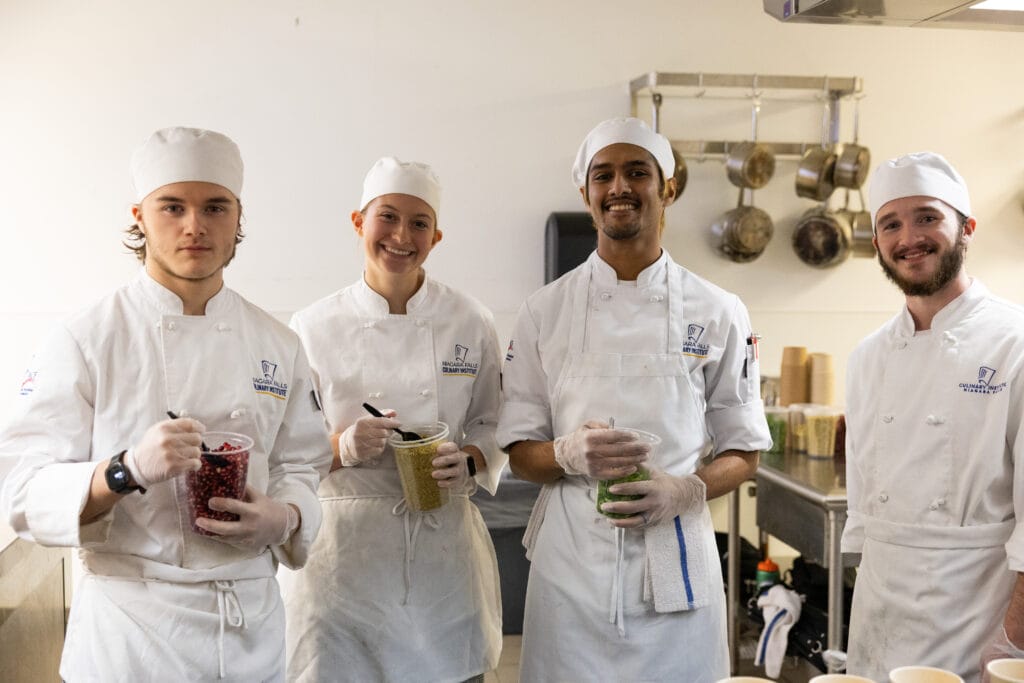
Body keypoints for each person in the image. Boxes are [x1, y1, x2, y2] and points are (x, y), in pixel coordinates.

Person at [0, 127, 332, 682]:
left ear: (238, 218)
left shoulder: (278, 343)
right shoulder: (86, 338)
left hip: (249, 626)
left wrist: (287, 516)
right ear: (139, 215)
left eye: (215, 207)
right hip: (132, 633)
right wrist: (124, 470)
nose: (194, 225)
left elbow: (303, 462)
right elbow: (22, 491)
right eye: (172, 206)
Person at [496, 117, 771, 682]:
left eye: (637, 172)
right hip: (569, 571)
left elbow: (746, 451)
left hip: (674, 564)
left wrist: (686, 488)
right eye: (604, 175)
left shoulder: (719, 310)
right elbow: (520, 452)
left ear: (667, 188)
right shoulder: (543, 312)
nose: (619, 187)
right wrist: (568, 454)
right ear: (587, 194)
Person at [283, 157, 505, 682]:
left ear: (437, 235)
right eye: (387, 217)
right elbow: (286, 449)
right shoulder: (313, 326)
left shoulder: (470, 320)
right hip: (341, 558)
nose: (402, 236)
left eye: (419, 222)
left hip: (441, 553)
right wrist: (341, 446)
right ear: (359, 222)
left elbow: (498, 424)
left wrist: (470, 461)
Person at [841, 152, 1024, 683]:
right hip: (879, 611)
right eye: (890, 224)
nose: (908, 237)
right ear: (876, 243)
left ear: (966, 228)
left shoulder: (1014, 342)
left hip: (975, 616)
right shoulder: (867, 357)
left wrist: (1011, 639)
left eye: (927, 217)